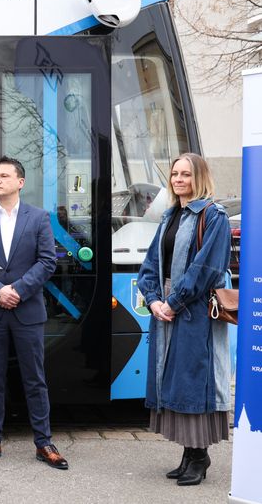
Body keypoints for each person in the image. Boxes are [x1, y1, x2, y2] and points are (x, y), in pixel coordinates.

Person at [136, 152, 232, 486]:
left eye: (186, 174)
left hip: (195, 312)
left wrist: (173, 302)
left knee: (194, 379)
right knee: (173, 379)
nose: (179, 180)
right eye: (175, 174)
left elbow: (206, 269)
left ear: (199, 178)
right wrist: (153, 301)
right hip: (167, 308)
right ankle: (189, 454)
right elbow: (149, 265)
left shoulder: (214, 215)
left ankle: (200, 455)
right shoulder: (169, 216)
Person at [0, 156, 67, 469]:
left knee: (34, 379)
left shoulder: (38, 218)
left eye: (4, 176)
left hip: (27, 310)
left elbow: (48, 261)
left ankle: (44, 442)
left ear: (20, 182)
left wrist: (18, 290)